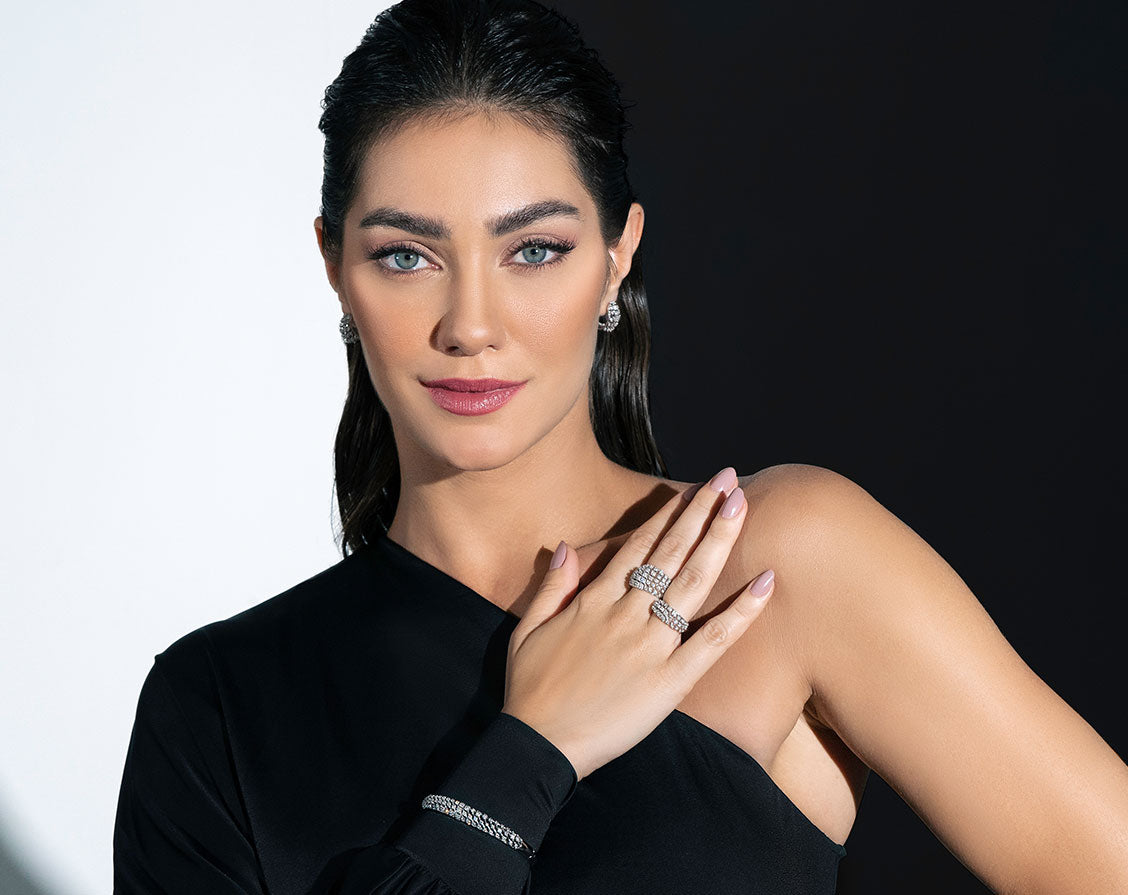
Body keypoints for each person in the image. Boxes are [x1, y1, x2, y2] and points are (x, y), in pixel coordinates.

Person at [112, 0, 1128, 892]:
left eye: (534, 249)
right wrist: (531, 751)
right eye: (407, 255)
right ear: (336, 266)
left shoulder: (773, 569)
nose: (471, 324)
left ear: (616, 257)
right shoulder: (218, 710)